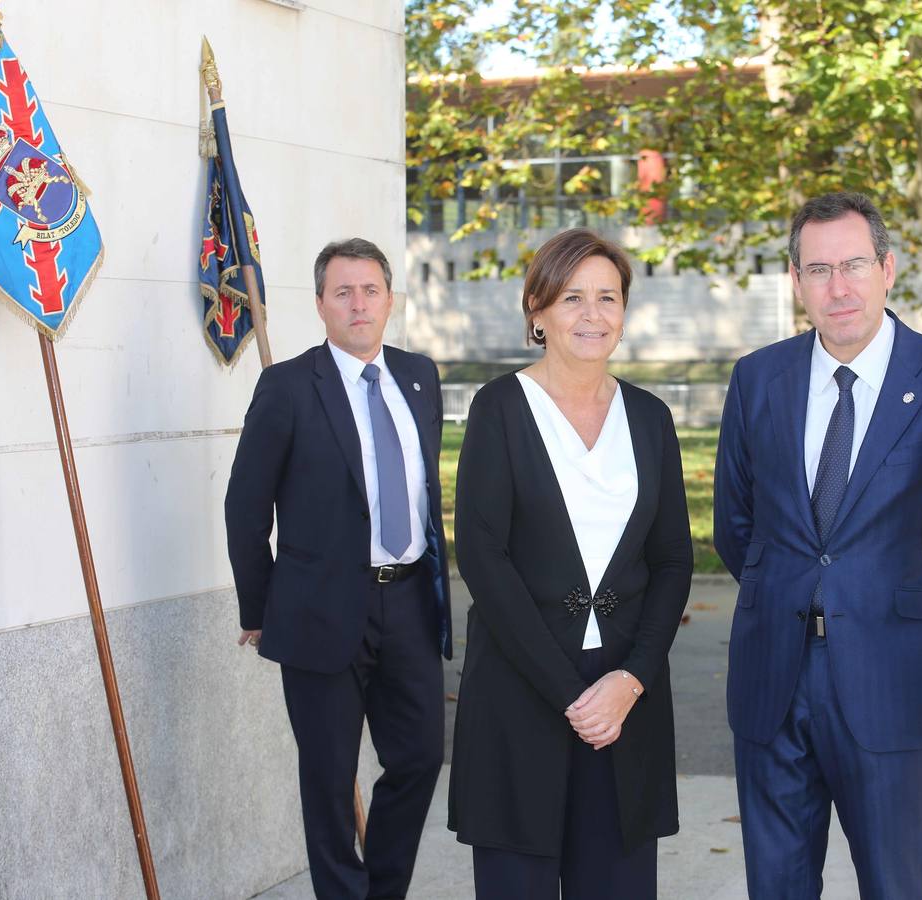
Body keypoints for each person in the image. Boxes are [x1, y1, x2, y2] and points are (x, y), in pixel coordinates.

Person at [713, 191, 922, 899]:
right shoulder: (758, 379)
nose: (837, 287)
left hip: (892, 682)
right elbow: (734, 523)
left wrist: (907, 617)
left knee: (894, 884)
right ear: (796, 281)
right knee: (775, 883)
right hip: (771, 680)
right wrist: (784, 601)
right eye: (817, 269)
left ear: (888, 268)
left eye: (854, 265)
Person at [448, 228, 693, 899]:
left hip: (624, 701)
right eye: (573, 298)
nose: (593, 315)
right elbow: (482, 557)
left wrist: (632, 679)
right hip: (521, 693)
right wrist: (570, 694)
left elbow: (673, 561)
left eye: (608, 298)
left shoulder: (650, 418)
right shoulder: (498, 408)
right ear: (538, 310)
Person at [224, 238, 452, 899]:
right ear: (321, 303)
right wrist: (258, 609)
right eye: (343, 292)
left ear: (389, 299)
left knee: (418, 759)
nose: (359, 304)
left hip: (409, 603)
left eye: (370, 290)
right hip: (318, 609)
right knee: (327, 779)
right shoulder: (290, 386)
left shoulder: (419, 376)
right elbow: (246, 506)